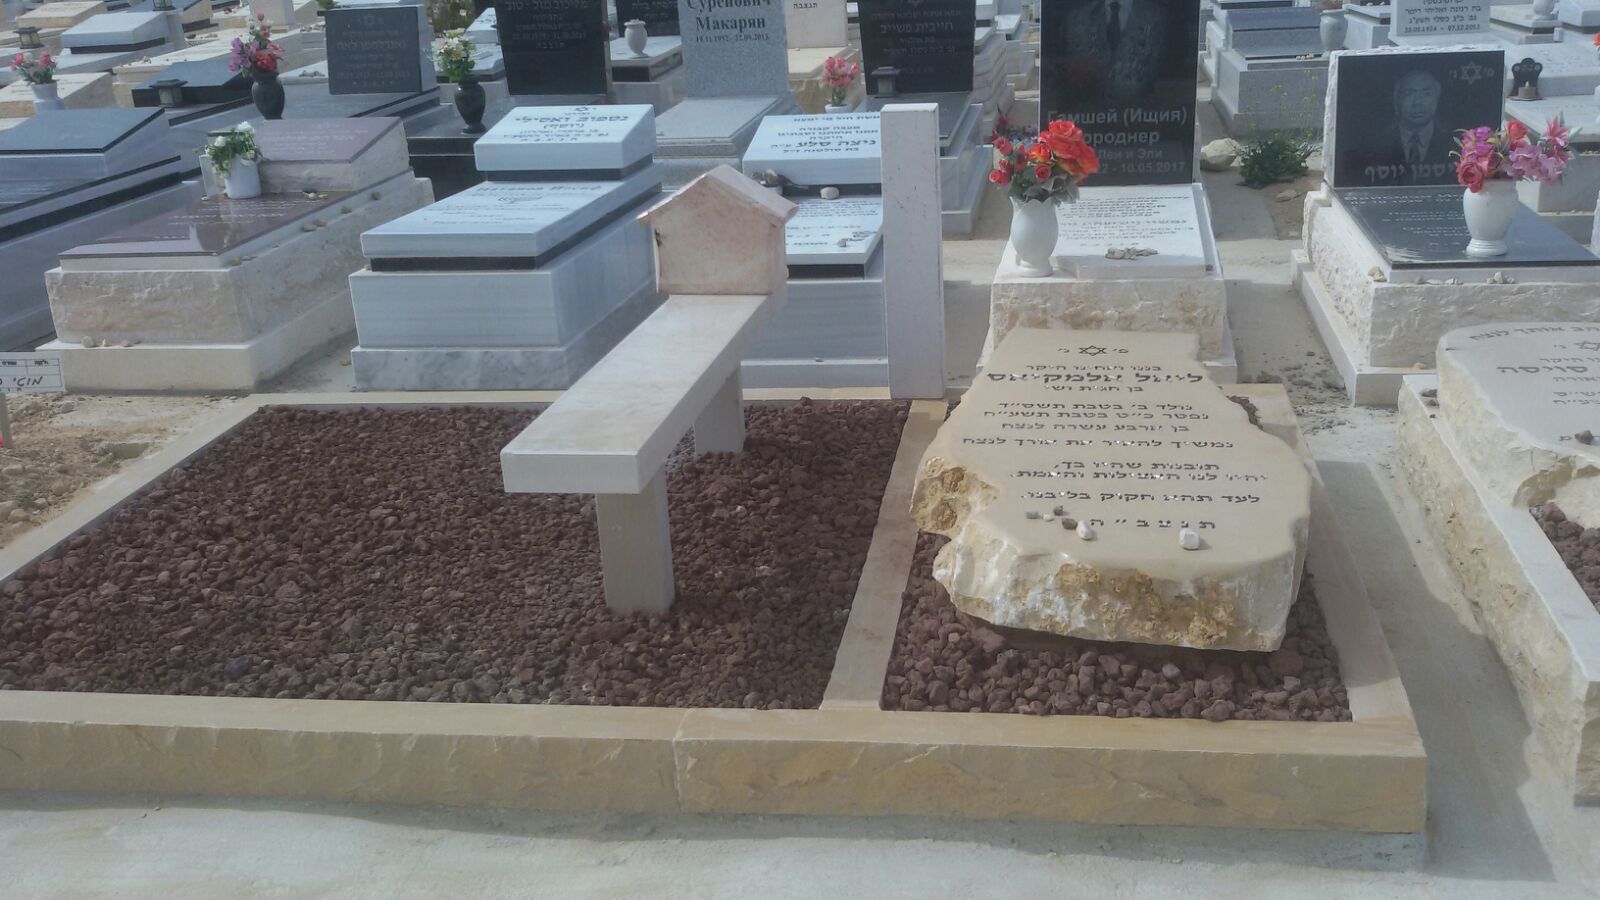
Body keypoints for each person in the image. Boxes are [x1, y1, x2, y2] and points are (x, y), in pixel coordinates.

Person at [1371, 69, 1452, 184]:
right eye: (1409, 94)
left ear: (1437, 99)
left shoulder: (1455, 145)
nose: (1417, 102)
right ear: (1396, 100)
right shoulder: (1375, 146)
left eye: (1426, 93)